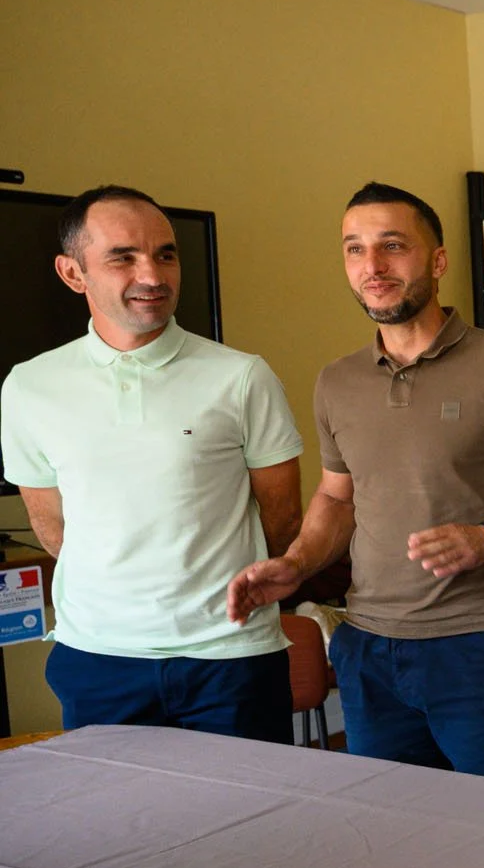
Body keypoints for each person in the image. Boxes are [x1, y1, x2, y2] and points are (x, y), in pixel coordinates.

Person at [227, 183, 484, 781]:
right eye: (354, 249)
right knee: (393, 839)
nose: (372, 266)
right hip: (367, 648)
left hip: (478, 644)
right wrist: (296, 563)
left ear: (437, 261)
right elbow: (336, 495)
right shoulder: (337, 382)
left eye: (392, 246)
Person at [1, 185, 302, 739]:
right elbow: (51, 525)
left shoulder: (241, 376)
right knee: (116, 824)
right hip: (98, 657)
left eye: (166, 254)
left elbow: (281, 517)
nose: (154, 275)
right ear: (74, 274)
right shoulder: (29, 386)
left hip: (229, 657)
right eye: (123, 257)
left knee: (252, 823)